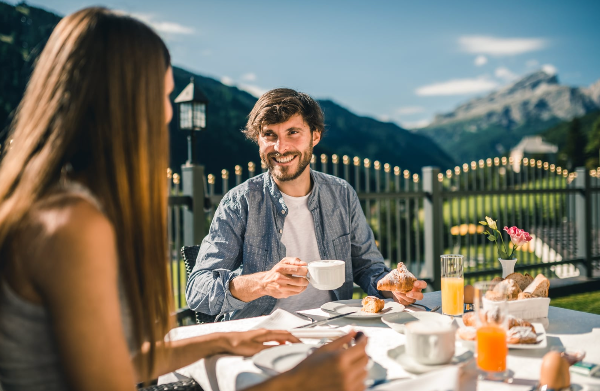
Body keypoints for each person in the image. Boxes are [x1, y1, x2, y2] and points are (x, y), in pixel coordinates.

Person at [0, 8, 369, 391]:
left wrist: (223, 338)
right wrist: (300, 385)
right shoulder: (71, 224)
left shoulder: (53, 204)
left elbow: (118, 358)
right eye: (161, 95)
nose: (166, 113)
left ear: (315, 137)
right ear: (124, 102)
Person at [186, 88, 427, 321]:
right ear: (258, 140)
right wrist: (263, 283)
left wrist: (392, 288)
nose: (281, 148)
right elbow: (198, 290)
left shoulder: (342, 194)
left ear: (315, 136)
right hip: (260, 336)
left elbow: (368, 268)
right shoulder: (240, 202)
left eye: (293, 132)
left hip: (334, 329)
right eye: (270, 135)